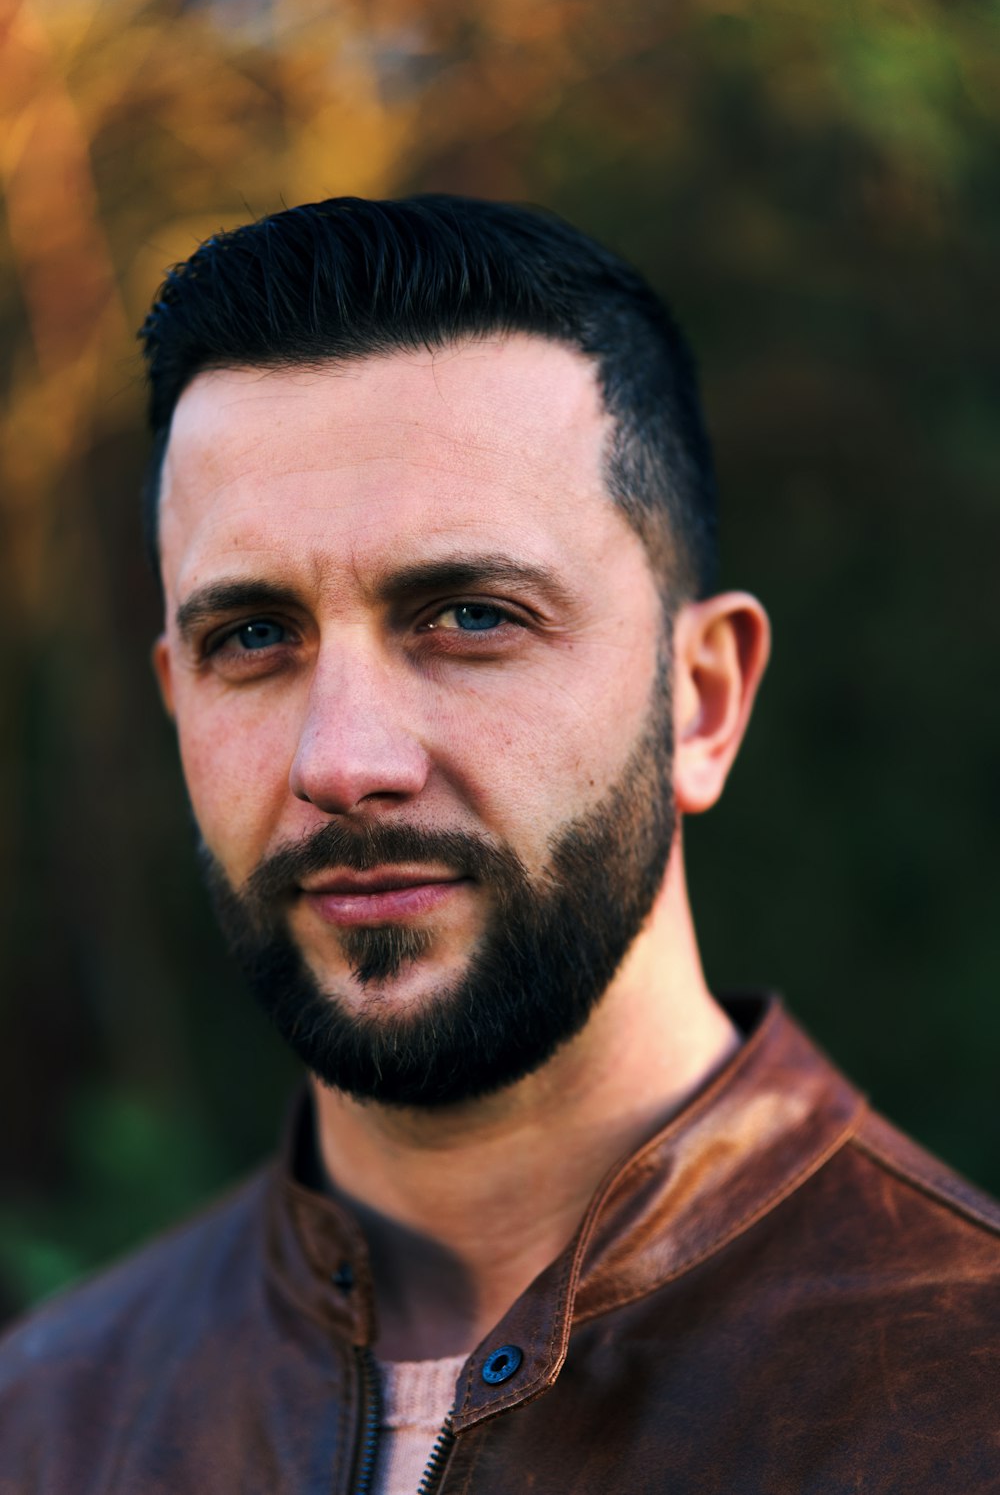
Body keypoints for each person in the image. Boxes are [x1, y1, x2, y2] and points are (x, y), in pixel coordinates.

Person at [0, 195, 997, 1495]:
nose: (343, 763)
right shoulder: (48, 1423)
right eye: (252, 639)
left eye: (469, 615)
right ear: (176, 698)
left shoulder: (960, 1396)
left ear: (701, 699)